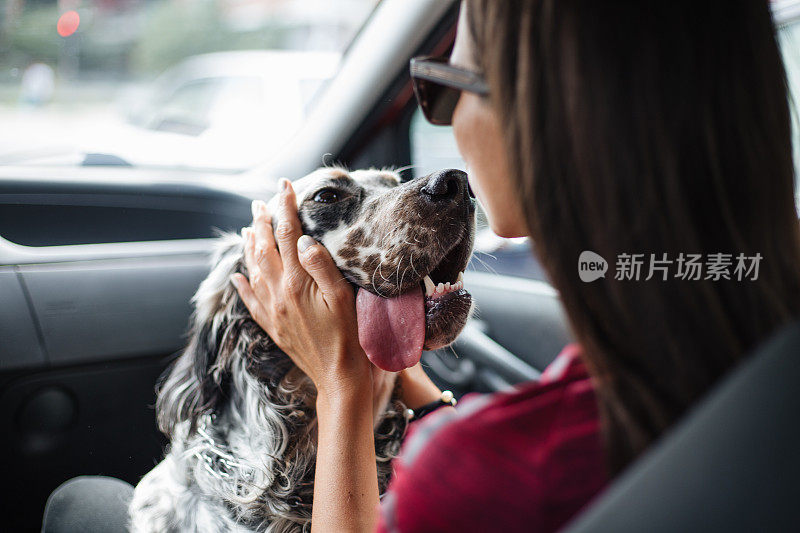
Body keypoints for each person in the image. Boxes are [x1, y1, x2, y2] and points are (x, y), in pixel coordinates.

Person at [231, 1, 800, 532]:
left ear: (539, 117)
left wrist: (342, 384)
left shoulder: (492, 470)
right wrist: (410, 382)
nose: (449, 126)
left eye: (444, 88)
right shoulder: (752, 348)